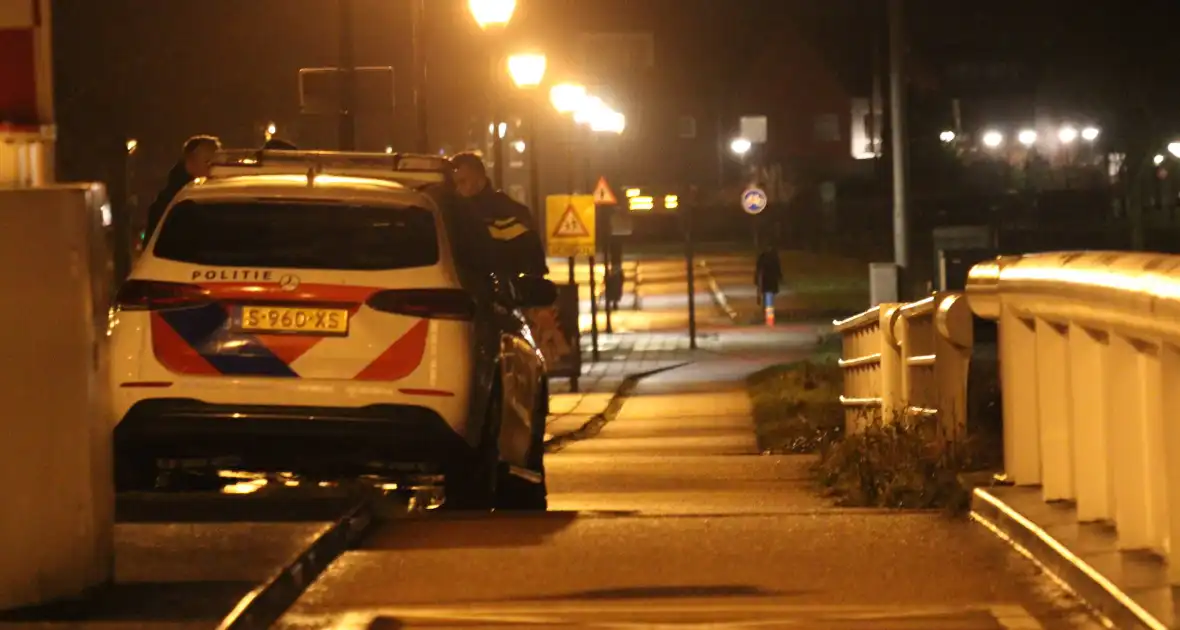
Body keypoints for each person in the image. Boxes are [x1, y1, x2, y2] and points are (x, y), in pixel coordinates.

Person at [450, 152, 548, 277]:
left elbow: (534, 265)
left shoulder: (509, 212)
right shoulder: (453, 212)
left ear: (480, 179)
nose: (458, 189)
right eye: (455, 184)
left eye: (463, 182)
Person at [144, 135, 221, 240]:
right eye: (208, 162)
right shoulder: (172, 202)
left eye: (217, 163)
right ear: (190, 163)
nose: (214, 168)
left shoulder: (212, 193)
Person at [755, 244, 782, 311]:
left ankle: (767, 309)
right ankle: (768, 309)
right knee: (769, 294)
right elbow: (777, 268)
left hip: (766, 278)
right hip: (770, 278)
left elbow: (759, 269)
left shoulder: (763, 256)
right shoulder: (773, 256)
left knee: (766, 293)